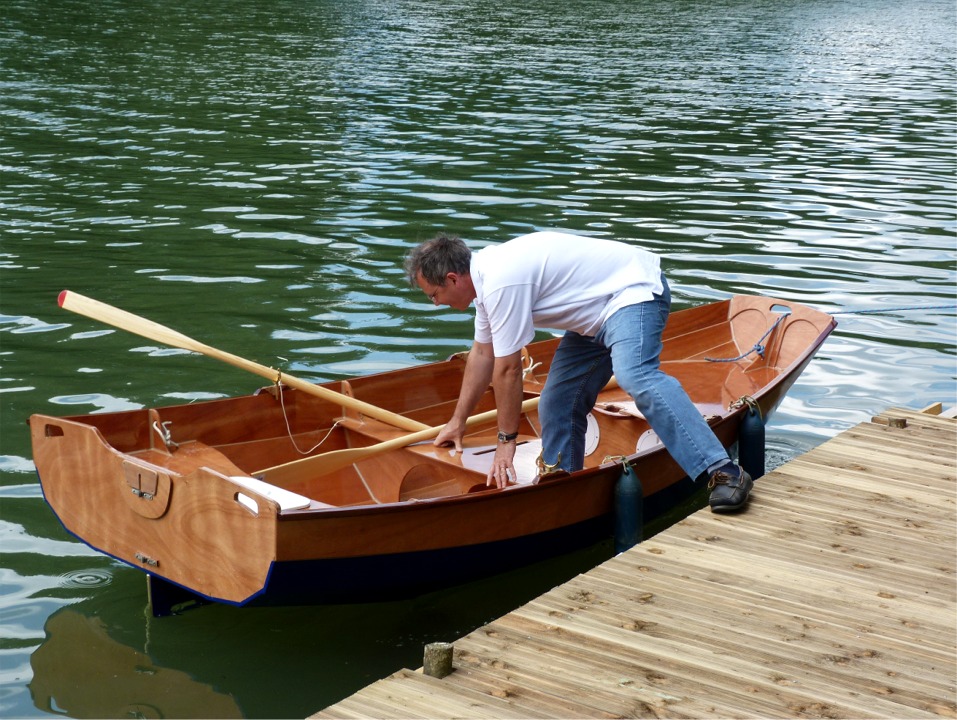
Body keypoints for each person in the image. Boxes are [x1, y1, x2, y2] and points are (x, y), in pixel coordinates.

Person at [403, 229, 753, 513]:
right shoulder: (486, 287)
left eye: (433, 295)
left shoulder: (500, 280)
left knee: (635, 376)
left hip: (633, 295)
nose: (434, 303)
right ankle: (563, 484)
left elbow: (507, 371)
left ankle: (724, 471)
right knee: (555, 403)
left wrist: (506, 443)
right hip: (591, 320)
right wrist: (458, 421)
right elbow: (482, 355)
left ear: (452, 279)